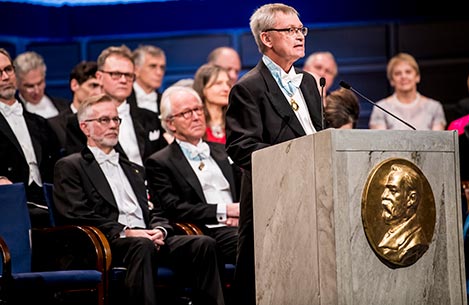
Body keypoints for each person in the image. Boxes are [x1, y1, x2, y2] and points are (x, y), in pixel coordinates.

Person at [53, 93, 226, 305]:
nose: (113, 125)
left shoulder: (134, 169)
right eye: (104, 120)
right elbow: (75, 213)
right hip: (109, 242)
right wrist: (125, 231)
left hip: (147, 237)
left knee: (203, 244)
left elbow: (156, 210)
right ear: (84, 127)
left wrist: (160, 230)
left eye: (116, 119)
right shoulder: (71, 166)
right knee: (141, 246)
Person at [224, 4, 323, 305]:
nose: (299, 36)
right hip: (272, 202)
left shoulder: (308, 83)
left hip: (313, 195)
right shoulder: (248, 88)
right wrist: (295, 162)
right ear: (267, 39)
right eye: (290, 30)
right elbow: (241, 147)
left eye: (301, 29)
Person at [145, 86, 240, 280]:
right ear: (170, 123)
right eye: (187, 113)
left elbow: (247, 188)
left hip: (240, 224)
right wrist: (225, 211)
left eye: (198, 109)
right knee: (253, 243)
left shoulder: (225, 150)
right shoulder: (160, 161)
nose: (196, 116)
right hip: (206, 229)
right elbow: (174, 208)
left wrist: (244, 214)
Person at [65, 45, 168, 163]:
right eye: (116, 74)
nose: (123, 80)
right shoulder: (79, 122)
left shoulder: (150, 118)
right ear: (99, 77)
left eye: (128, 75)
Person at [0, 48, 61, 227]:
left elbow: (56, 167)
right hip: (10, 207)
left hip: (47, 203)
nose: (5, 77)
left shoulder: (40, 123)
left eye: (8, 69)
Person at [369, 52, 446, 130]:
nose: (403, 76)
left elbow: (438, 141)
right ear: (391, 80)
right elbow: (380, 141)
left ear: (417, 77)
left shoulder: (434, 107)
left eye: (408, 72)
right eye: (398, 73)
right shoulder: (381, 108)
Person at [378, 164, 429, 266]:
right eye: (385, 189)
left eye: (392, 191)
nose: (383, 195)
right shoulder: (392, 232)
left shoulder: (415, 243)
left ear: (411, 199)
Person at [48, 61, 102, 153]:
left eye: (102, 87)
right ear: (74, 85)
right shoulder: (54, 125)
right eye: (93, 85)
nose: (99, 93)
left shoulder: (109, 122)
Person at [14, 51, 69, 119]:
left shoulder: (65, 106)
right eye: (30, 86)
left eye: (40, 83)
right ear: (16, 84)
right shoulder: (13, 114)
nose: (36, 91)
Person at [193, 64, 231, 143]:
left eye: (228, 83)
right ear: (203, 88)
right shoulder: (194, 122)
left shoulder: (237, 120)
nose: (226, 88)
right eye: (218, 83)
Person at [132, 45, 166, 114]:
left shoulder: (165, 102)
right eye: (153, 66)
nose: (159, 72)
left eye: (162, 67)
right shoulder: (123, 99)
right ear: (136, 70)